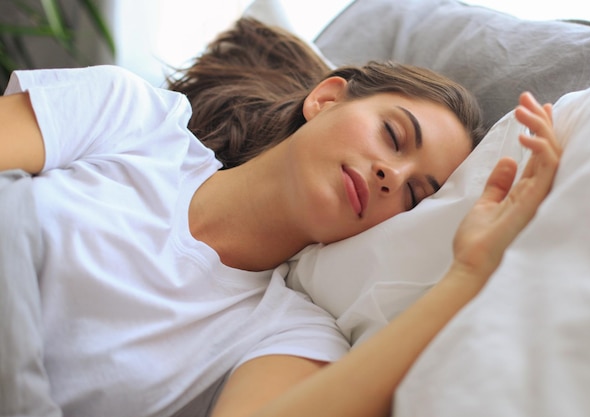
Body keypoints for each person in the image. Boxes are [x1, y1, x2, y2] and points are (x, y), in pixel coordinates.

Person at [0, 17, 560, 417]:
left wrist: (469, 273)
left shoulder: (290, 335)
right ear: (327, 99)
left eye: (414, 195)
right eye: (393, 135)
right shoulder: (130, 117)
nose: (392, 176)